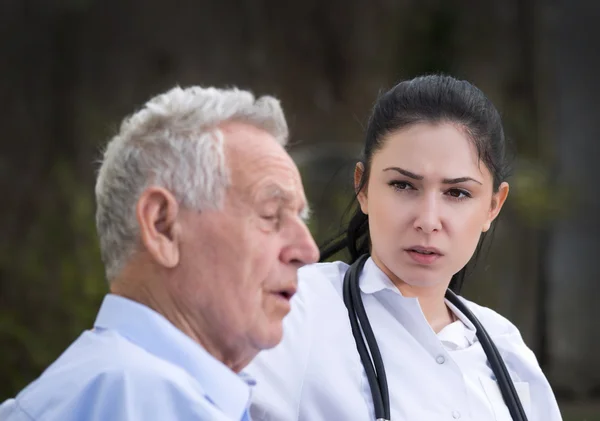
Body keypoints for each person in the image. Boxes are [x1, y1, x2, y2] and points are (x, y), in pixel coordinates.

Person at [245, 75, 562, 421]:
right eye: (403, 185)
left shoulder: (506, 349)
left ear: (493, 206)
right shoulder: (296, 310)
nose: (428, 220)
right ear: (362, 188)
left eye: (457, 193)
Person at [0, 86, 319, 421]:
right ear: (162, 225)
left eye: (300, 217)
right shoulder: (148, 402)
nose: (308, 251)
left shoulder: (81, 390)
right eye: (270, 215)